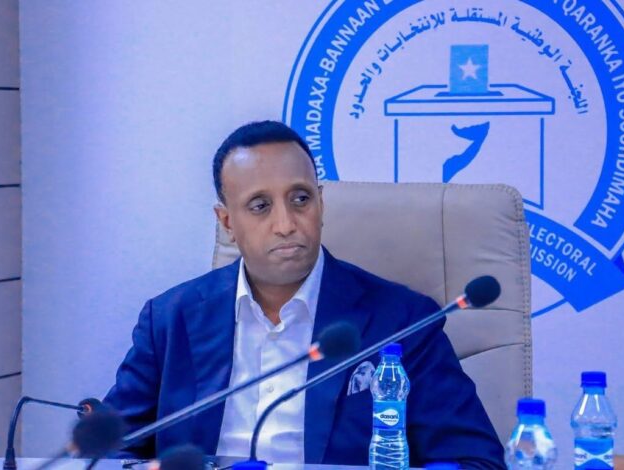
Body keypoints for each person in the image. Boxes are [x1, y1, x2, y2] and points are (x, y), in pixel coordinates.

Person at [103, 120, 505, 468]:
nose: (286, 224)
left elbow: (475, 460)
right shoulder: (169, 320)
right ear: (227, 222)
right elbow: (108, 451)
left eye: (300, 199)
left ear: (320, 203)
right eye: (260, 206)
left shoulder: (403, 321)